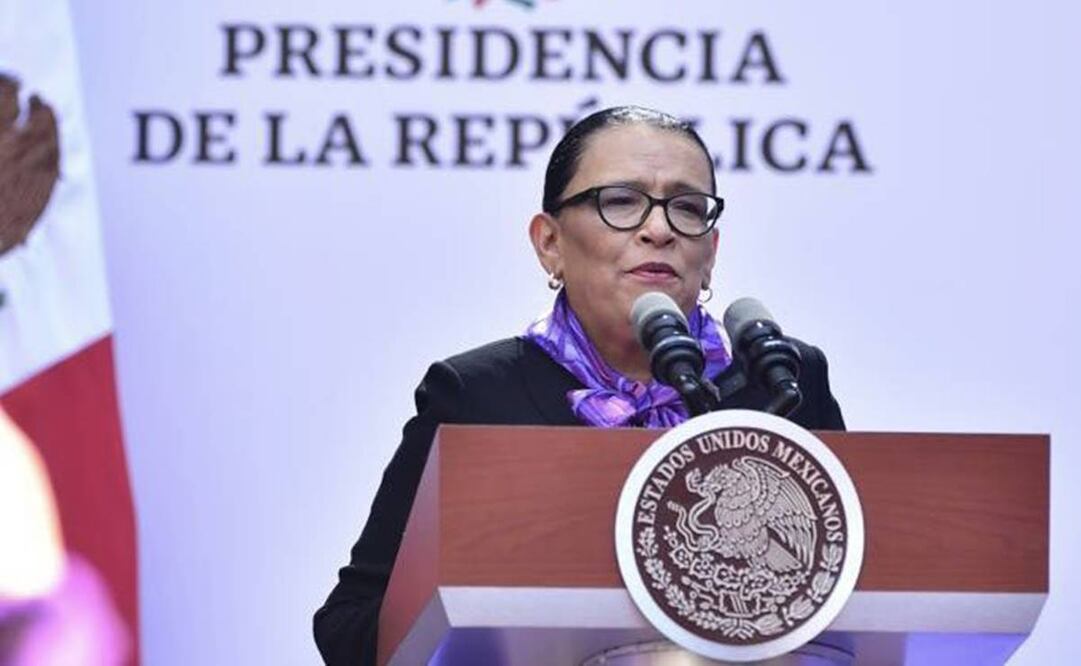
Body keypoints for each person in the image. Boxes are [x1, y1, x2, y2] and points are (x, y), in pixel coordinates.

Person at [313, 106, 844, 666]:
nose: (659, 228)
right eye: (620, 201)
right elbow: (352, 626)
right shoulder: (474, 397)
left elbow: (861, 595)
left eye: (688, 208)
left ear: (710, 255)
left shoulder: (780, 382)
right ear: (550, 243)